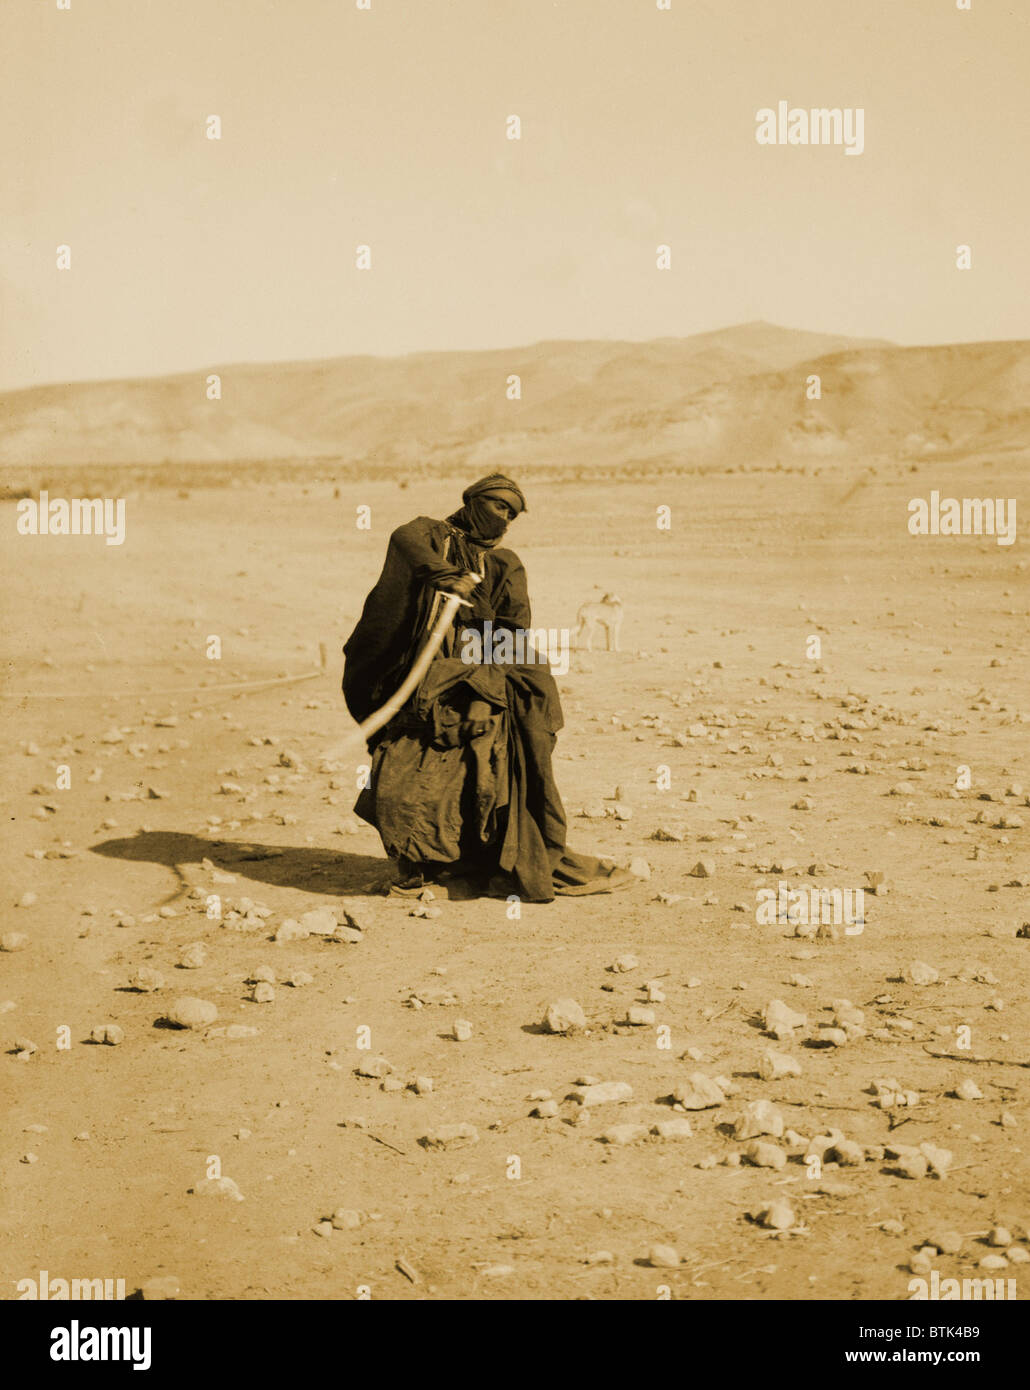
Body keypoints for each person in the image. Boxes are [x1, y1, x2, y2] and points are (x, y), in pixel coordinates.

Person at [342, 474, 632, 902]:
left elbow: (513, 631)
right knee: (407, 769)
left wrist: (485, 681)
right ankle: (417, 867)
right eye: (500, 506)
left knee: (485, 772)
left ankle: (482, 864)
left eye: (513, 514)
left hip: (477, 675)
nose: (506, 518)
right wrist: (445, 576)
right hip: (416, 678)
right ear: (473, 500)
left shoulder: (504, 563)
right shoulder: (429, 535)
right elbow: (402, 540)